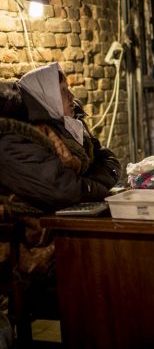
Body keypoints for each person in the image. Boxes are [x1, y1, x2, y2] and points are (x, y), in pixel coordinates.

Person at [0, 62, 121, 286]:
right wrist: (96, 186)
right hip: (39, 247)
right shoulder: (14, 139)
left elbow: (110, 161)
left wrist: (89, 184)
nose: (72, 96)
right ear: (47, 96)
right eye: (64, 91)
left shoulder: (66, 130)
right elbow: (64, 189)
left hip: (64, 229)